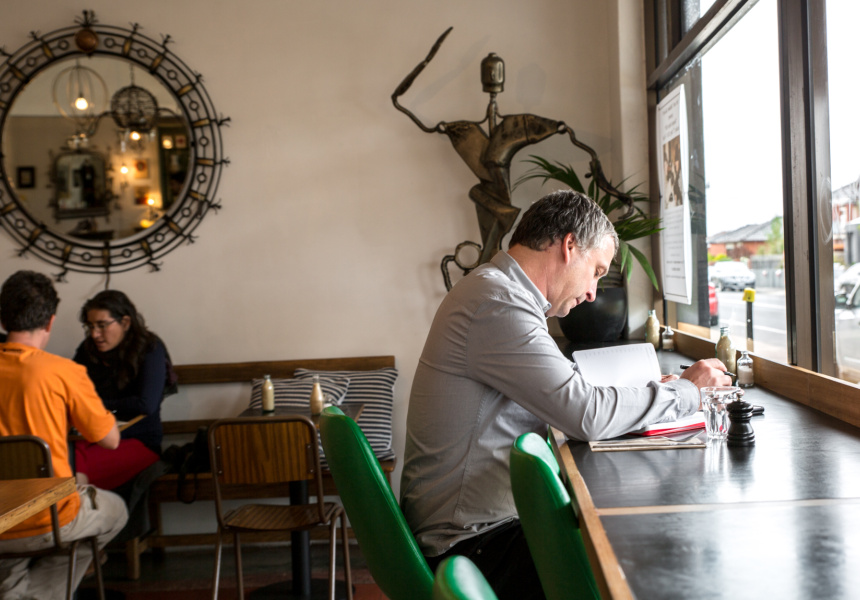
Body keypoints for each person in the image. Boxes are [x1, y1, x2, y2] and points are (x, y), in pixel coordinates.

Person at [400, 190, 731, 599]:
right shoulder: (498, 303)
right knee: (645, 563)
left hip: (474, 529)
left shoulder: (500, 292)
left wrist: (656, 391)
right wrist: (687, 391)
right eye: (596, 271)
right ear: (569, 245)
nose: (593, 292)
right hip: (471, 544)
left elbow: (573, 388)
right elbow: (585, 413)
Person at [0, 270, 128, 599]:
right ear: (50, 321)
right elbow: (110, 440)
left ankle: (13, 591)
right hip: (48, 515)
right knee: (115, 510)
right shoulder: (64, 373)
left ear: (2, 319)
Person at [72, 290, 172, 491]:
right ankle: (76, 506)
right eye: (90, 326)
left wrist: (96, 404)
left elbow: (146, 405)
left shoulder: (149, 348)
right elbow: (72, 392)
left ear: (125, 323)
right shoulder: (87, 349)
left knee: (70, 465)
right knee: (59, 455)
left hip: (137, 441)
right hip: (92, 437)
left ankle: (77, 505)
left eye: (102, 325)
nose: (95, 334)